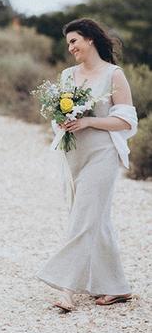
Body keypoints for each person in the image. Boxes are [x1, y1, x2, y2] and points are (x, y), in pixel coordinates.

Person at [37, 18, 138, 312]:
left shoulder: (113, 75)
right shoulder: (68, 75)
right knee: (96, 219)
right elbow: (57, 116)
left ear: (90, 39)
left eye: (74, 41)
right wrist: (62, 120)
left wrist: (89, 120)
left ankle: (66, 289)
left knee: (83, 219)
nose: (70, 48)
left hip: (103, 154)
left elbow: (126, 120)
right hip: (73, 155)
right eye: (68, 43)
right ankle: (116, 288)